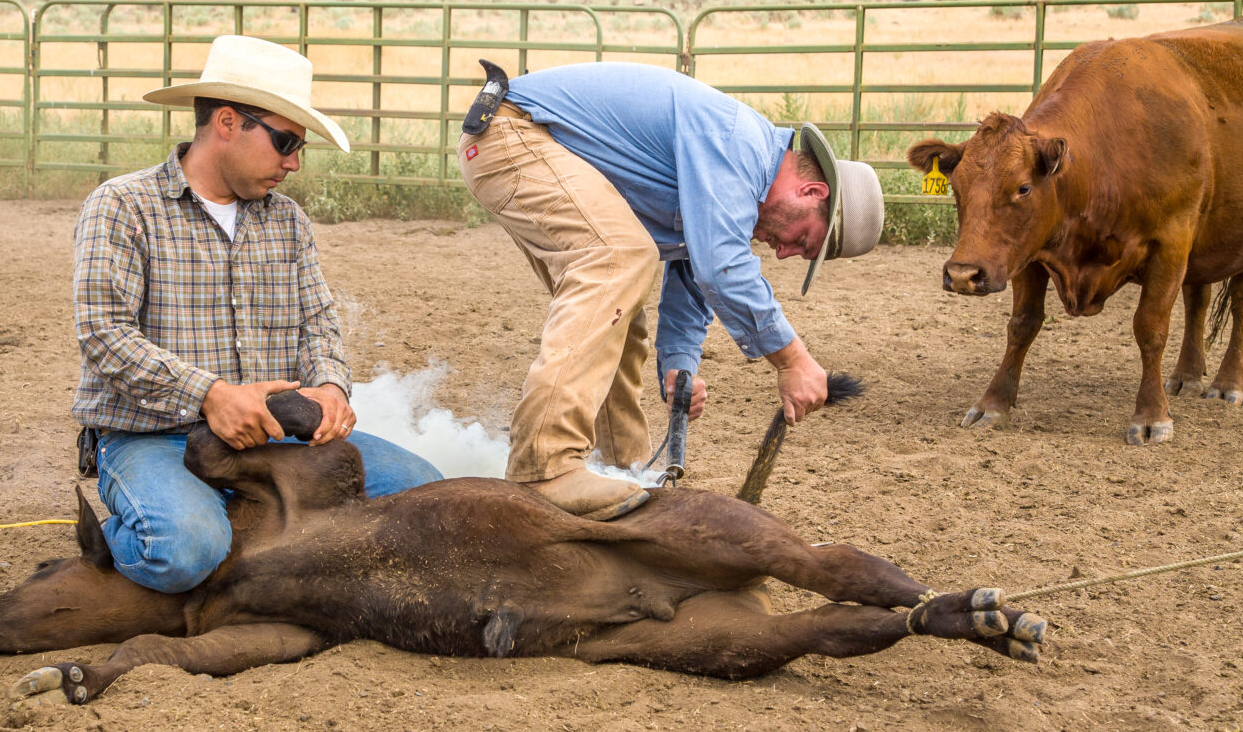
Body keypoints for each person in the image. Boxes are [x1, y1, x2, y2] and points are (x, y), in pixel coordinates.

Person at [73, 34, 443, 593]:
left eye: (299, 147)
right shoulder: (123, 205)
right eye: (285, 141)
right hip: (154, 434)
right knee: (180, 552)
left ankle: (228, 529)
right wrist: (212, 395)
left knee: (427, 495)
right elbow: (103, 333)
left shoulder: (287, 220)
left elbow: (317, 321)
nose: (293, 162)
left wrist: (329, 387)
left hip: (273, 436)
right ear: (227, 122)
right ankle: (117, 540)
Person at [457, 61, 883, 521]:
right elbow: (720, 265)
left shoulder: (738, 170)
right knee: (619, 258)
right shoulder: (739, 143)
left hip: (522, 141)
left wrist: (679, 363)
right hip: (514, 135)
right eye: (802, 241)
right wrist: (793, 360)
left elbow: (695, 267)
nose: (782, 254)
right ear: (813, 191)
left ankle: (618, 471)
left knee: (619, 308)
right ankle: (545, 465)